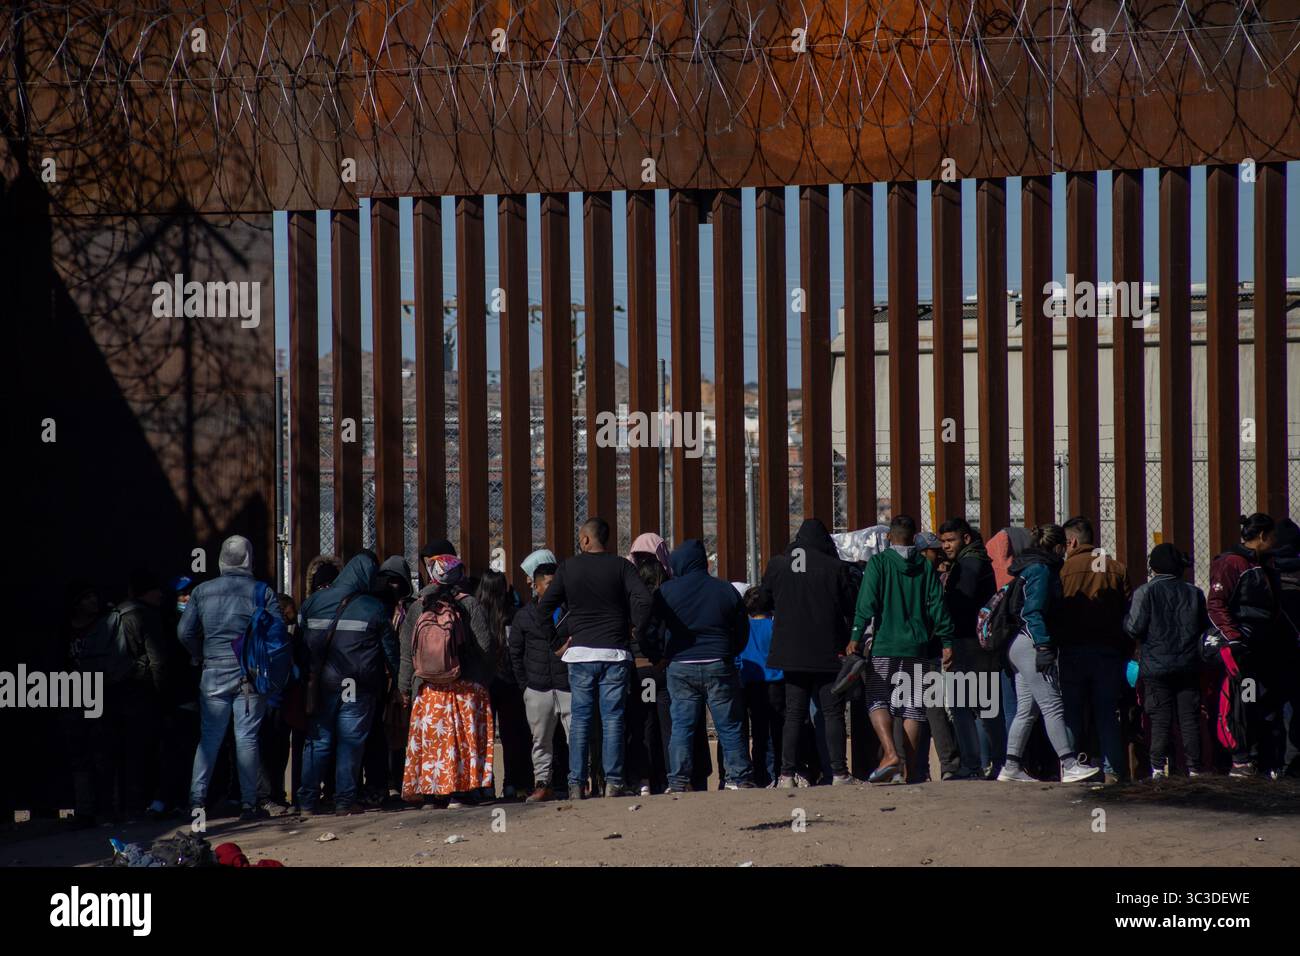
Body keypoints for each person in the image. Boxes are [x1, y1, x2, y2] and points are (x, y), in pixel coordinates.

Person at [536, 517, 653, 799]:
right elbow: (645, 600)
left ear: (586, 540)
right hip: (614, 652)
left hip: (580, 654)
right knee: (613, 718)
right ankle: (613, 781)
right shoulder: (622, 567)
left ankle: (577, 783)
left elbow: (544, 609)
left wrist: (555, 644)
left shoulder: (569, 567)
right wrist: (636, 626)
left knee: (581, 720)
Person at [178, 535, 288, 820]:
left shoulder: (202, 591)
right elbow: (278, 634)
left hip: (212, 671)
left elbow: (184, 632)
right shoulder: (261, 591)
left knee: (210, 739)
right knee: (247, 738)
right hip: (248, 674)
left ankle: (196, 801)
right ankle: (249, 804)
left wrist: (199, 654)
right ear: (249, 558)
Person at [639, 539, 754, 792]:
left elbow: (646, 629)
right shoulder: (725, 590)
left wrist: (657, 656)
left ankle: (679, 780)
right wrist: (729, 651)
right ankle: (739, 777)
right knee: (729, 724)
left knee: (682, 725)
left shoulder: (667, 592)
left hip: (680, 665)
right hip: (718, 662)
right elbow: (742, 629)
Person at [848, 515, 954, 783]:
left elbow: (867, 603)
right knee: (912, 708)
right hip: (917, 646)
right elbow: (937, 606)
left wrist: (856, 634)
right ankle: (910, 770)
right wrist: (947, 641)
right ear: (914, 537)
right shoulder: (925, 566)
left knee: (876, 698)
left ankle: (891, 754)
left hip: (885, 644)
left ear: (888, 537)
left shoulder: (879, 563)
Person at [997, 524, 1102, 784]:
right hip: (1032, 644)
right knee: (1052, 705)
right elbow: (1032, 612)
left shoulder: (1026, 567)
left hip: (1016, 645)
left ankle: (1011, 766)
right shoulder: (1042, 571)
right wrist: (1044, 646)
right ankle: (1069, 764)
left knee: (1027, 709)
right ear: (1058, 547)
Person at [296, 552, 399, 815]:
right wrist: (397, 682)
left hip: (322, 685)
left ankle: (307, 801)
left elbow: (299, 644)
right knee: (350, 743)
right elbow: (390, 652)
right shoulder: (373, 607)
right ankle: (344, 800)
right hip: (358, 686)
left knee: (318, 741)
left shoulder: (313, 602)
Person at [763, 517, 858, 787]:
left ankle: (786, 774)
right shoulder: (834, 567)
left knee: (794, 712)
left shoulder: (778, 564)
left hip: (791, 652)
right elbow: (849, 606)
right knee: (832, 712)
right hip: (828, 651)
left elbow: (766, 598)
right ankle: (839, 773)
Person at [399, 554, 497, 807]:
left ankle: (430, 795)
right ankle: (458, 793)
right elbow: (485, 645)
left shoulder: (417, 606)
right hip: (464, 687)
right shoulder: (470, 604)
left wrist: (405, 688)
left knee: (432, 742)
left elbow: (406, 653)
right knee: (460, 741)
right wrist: (482, 675)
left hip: (429, 688)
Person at [1056, 516, 1133, 781]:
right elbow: (1127, 612)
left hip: (1072, 649)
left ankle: (1073, 768)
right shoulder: (1115, 568)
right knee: (1106, 714)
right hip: (1108, 651)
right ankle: (1113, 773)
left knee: (1072, 713)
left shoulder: (1064, 570)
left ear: (1072, 541)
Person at [1207, 513, 1281, 776]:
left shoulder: (1263, 563)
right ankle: (1242, 757)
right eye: (1272, 536)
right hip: (1242, 648)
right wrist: (1234, 637)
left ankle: (1260, 758)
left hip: (1262, 646)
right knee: (1243, 699)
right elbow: (1216, 603)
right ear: (1262, 536)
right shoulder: (1232, 563)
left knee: (1261, 700)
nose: (1275, 541)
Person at [1124, 544, 1206, 777]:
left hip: (1156, 666)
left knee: (1160, 718)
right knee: (1189, 718)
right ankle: (1194, 768)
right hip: (1188, 664)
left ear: (1154, 567)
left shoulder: (1146, 592)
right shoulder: (1194, 593)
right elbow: (1203, 627)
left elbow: (1134, 627)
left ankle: (1158, 768)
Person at [938, 518, 1002, 778]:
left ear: (964, 539)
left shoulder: (968, 564)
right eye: (942, 542)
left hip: (966, 642)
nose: (945, 546)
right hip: (979, 643)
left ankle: (973, 764)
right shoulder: (976, 559)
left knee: (963, 706)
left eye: (950, 540)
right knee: (987, 706)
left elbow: (960, 605)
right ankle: (996, 762)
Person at [509, 550, 571, 802]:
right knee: (541, 741)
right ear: (536, 586)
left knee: (577, 738)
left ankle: (579, 782)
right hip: (538, 689)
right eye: (548, 584)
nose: (553, 589)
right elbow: (515, 653)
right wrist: (526, 686)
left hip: (567, 686)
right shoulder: (524, 616)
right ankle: (542, 784)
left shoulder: (569, 612)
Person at [480, 568, 534, 800]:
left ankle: (485, 784)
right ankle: (513, 783)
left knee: (484, 736)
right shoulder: (513, 615)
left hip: (484, 683)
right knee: (514, 736)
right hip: (511, 683)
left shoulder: (477, 615)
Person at [737, 585, 784, 787]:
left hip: (750, 683)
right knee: (777, 730)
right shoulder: (775, 628)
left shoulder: (742, 628)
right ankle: (776, 773)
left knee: (758, 733)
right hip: (775, 682)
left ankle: (760, 774)